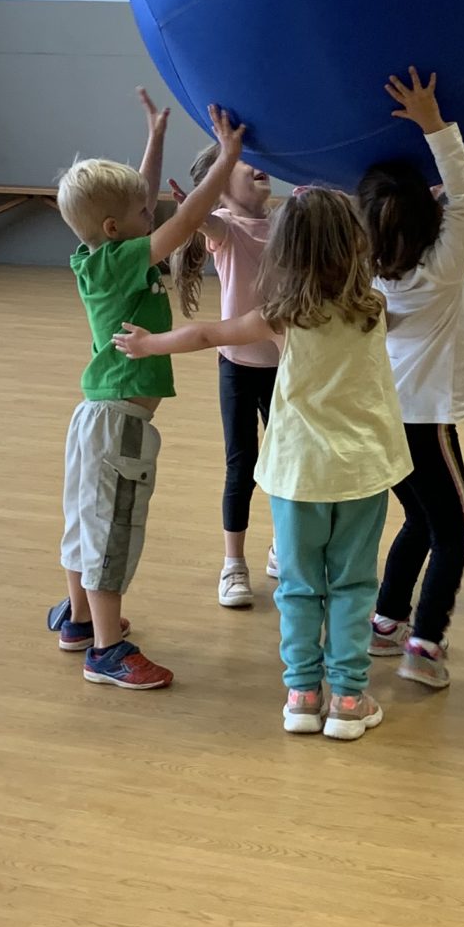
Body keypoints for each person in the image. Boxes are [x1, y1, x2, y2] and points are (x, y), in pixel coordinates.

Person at [116, 188, 408, 742]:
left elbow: (206, 334)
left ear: (286, 253)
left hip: (298, 474)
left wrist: (150, 344)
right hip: (363, 472)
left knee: (298, 586)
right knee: (352, 584)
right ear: (354, 245)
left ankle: (301, 694)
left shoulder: (283, 315)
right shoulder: (374, 307)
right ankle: (347, 698)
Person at [49, 92, 245, 692]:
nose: (151, 215)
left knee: (85, 523)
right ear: (117, 229)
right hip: (118, 426)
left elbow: (139, 200)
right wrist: (226, 159)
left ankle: (80, 621)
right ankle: (106, 650)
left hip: (96, 416)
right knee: (110, 533)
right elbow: (184, 222)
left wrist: (156, 137)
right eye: (141, 214)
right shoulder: (122, 260)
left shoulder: (99, 256)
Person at [359, 68, 464, 691]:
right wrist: (434, 122)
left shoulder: (373, 276)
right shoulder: (441, 269)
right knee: (454, 532)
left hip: (388, 417)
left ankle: (384, 620)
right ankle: (424, 645)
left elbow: (454, 199)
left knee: (419, 520)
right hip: (426, 420)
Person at [172, 139, 277, 609]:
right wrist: (196, 205)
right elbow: (200, 220)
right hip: (237, 367)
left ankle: (284, 547)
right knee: (242, 467)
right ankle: (233, 563)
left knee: (286, 465)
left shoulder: (284, 224)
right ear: (220, 187)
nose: (256, 166)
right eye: (238, 163)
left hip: (285, 368)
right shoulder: (226, 230)